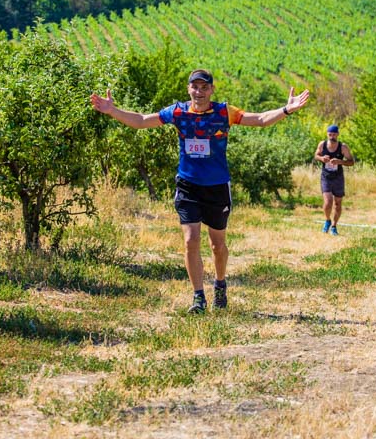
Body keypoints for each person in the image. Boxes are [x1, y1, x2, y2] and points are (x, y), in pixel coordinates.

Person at [91, 69, 310, 313]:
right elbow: (142, 121)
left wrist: (286, 109)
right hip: (188, 185)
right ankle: (198, 297)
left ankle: (220, 284)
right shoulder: (178, 112)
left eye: (204, 87)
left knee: (217, 245)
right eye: (195, 87)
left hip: (217, 187)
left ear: (212, 90)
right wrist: (112, 110)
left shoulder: (224, 112)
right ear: (188, 89)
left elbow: (259, 120)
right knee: (190, 240)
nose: (199, 91)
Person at [314, 124, 354, 235]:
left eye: (334, 134)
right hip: (326, 176)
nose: (332, 136)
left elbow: (351, 162)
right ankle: (327, 220)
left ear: (338, 134)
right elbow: (316, 155)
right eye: (330, 134)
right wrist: (322, 158)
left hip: (338, 177)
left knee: (338, 203)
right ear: (327, 134)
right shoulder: (322, 144)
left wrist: (340, 161)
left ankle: (334, 226)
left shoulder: (343, 147)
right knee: (328, 202)